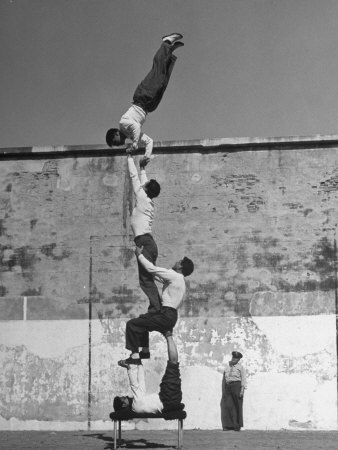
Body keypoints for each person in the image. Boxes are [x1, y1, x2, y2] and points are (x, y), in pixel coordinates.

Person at [106, 32, 184, 162]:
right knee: (163, 81)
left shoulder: (123, 124)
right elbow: (148, 141)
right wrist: (146, 157)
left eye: (114, 142)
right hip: (149, 106)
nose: (117, 145)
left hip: (142, 97)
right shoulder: (132, 135)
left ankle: (166, 43)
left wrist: (135, 144)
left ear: (115, 134)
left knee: (157, 72)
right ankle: (168, 52)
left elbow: (136, 127)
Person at [118, 246, 194, 365]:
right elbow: (156, 275)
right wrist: (149, 272)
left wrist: (139, 255)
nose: (176, 262)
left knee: (132, 324)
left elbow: (152, 269)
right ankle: (145, 351)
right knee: (144, 319)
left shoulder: (174, 275)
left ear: (181, 266)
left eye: (179, 262)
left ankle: (134, 356)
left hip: (165, 315)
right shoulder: (180, 280)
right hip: (170, 316)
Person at [114, 334, 184, 414]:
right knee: (173, 364)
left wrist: (138, 363)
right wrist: (129, 368)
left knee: (173, 364)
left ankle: (165, 337)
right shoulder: (136, 406)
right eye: (123, 398)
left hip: (167, 397)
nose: (126, 396)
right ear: (124, 405)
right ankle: (168, 334)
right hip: (168, 398)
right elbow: (135, 386)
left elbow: (141, 382)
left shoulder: (137, 404)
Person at [127, 153, 161, 313]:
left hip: (144, 242)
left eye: (145, 184)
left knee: (145, 280)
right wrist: (142, 167)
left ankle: (157, 307)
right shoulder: (146, 199)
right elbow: (143, 182)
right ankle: (155, 305)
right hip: (148, 242)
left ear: (146, 189)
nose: (144, 183)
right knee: (147, 279)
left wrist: (129, 158)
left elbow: (134, 179)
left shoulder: (142, 197)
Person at [221, 351, 247, 432]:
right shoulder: (227, 367)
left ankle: (237, 425)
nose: (234, 359)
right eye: (233, 358)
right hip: (228, 387)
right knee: (228, 406)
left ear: (239, 359)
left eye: (236, 358)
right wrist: (224, 390)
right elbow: (224, 378)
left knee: (237, 405)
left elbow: (243, 379)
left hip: (237, 386)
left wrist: (242, 390)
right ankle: (228, 426)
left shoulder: (241, 367)